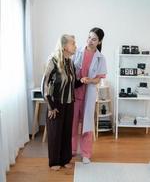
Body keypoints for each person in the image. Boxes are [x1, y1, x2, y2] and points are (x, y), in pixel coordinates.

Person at [41, 34, 84, 171]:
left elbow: (72, 84)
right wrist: (51, 107)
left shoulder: (70, 63)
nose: (75, 46)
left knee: (66, 132)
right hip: (55, 104)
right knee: (55, 133)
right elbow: (45, 85)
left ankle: (65, 159)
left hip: (69, 102)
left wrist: (83, 80)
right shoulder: (53, 61)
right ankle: (54, 162)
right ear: (65, 46)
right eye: (73, 43)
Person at [72, 27, 107, 164]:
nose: (90, 41)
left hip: (89, 93)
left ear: (99, 42)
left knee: (87, 124)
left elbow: (99, 79)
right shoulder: (77, 52)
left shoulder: (100, 58)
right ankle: (72, 150)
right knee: (73, 123)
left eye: (94, 39)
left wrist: (89, 80)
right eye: (89, 38)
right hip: (75, 92)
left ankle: (86, 153)